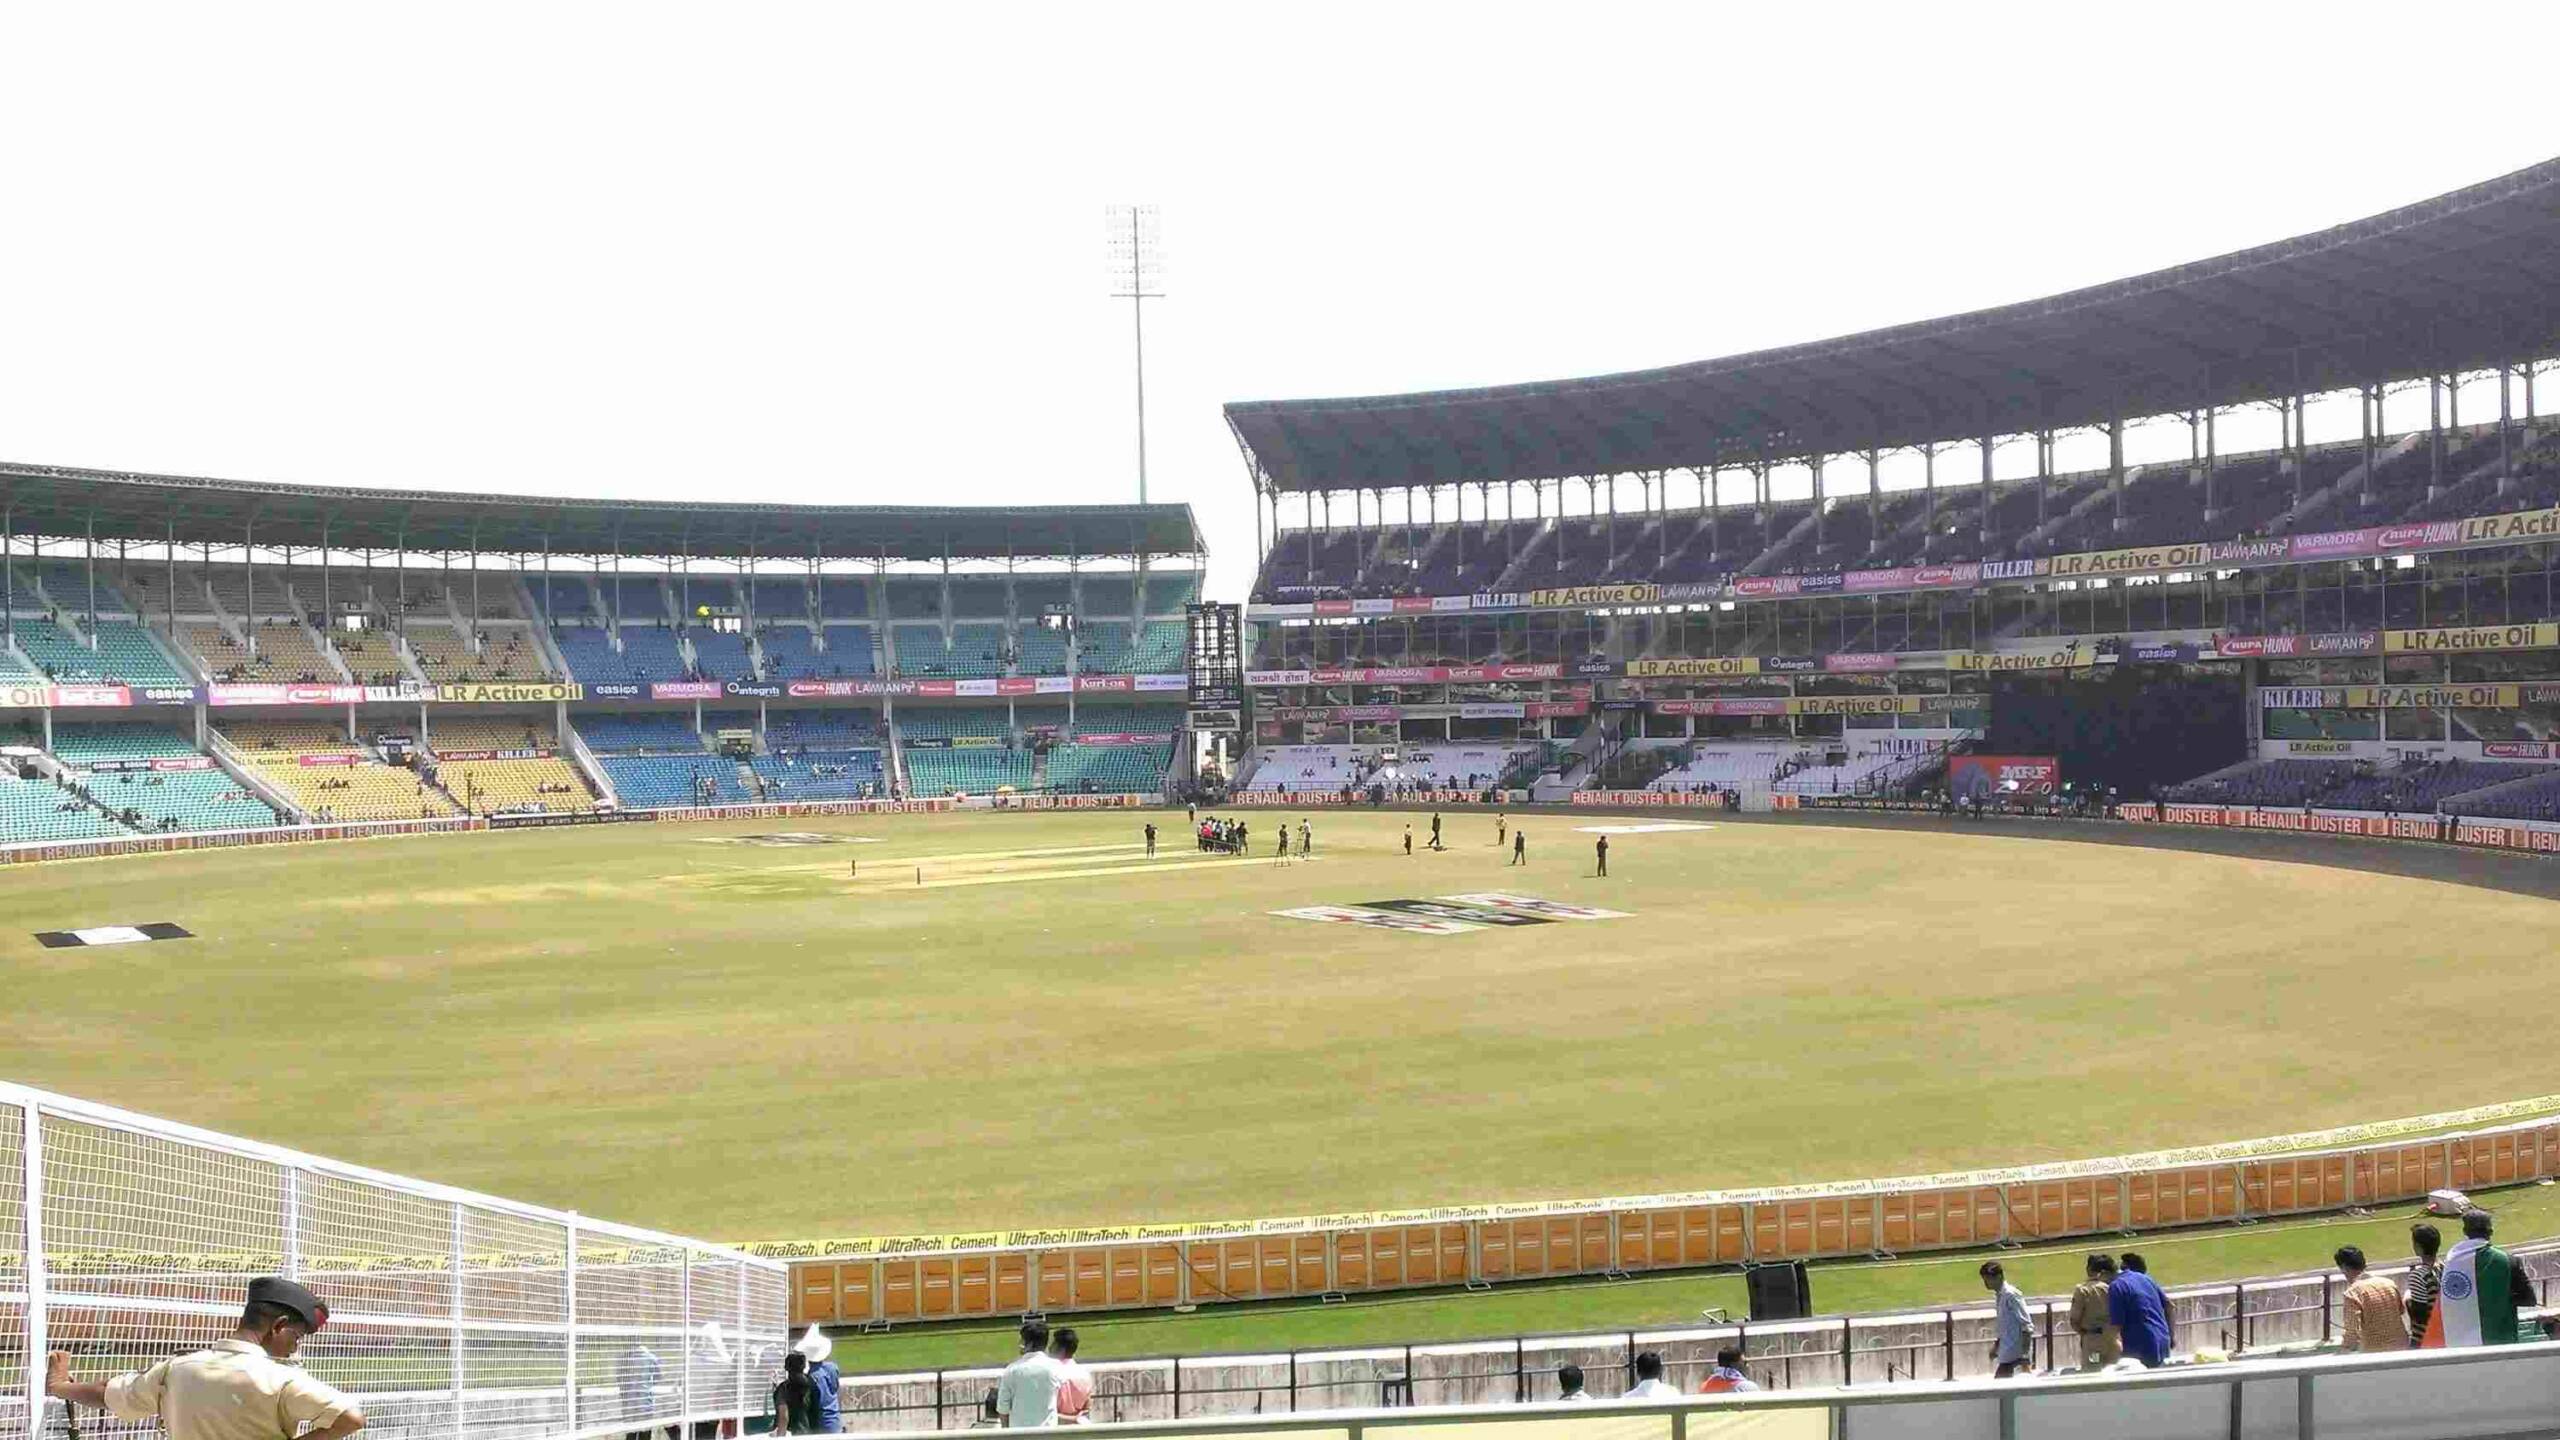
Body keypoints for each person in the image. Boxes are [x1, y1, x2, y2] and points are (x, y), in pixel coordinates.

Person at [42, 1276, 364, 1440]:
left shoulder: (176, 1369)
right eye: (296, 1336)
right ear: (278, 1326)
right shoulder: (281, 1379)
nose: (295, 1347)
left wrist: (60, 1386)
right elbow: (350, 1418)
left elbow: (107, 1393)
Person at [2422, 1208, 2537, 1347]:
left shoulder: (2451, 1262)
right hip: (2501, 1341)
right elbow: (2529, 1299)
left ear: (2465, 1232)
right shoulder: (2508, 1261)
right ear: (2491, 1231)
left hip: (2460, 1344)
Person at [2335, 1245, 2408, 1353]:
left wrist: (2340, 1354)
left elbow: (2352, 1334)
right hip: (2402, 1347)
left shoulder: (2352, 1294)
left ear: (2344, 1268)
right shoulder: (2389, 1283)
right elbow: (2401, 1310)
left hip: (2375, 1353)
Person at [2108, 1252, 2173, 1368]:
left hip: (2139, 1345)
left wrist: (2115, 1350)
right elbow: (2169, 1305)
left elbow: (2116, 1325)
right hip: (2162, 1339)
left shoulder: (2116, 1286)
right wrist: (2171, 1335)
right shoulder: (2146, 1279)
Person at [995, 1319, 1063, 1428]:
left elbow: (1003, 1409)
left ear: (1028, 1343)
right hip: (1049, 1433)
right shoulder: (1056, 1367)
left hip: (1020, 1434)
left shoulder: (1011, 1370)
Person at [2070, 1255, 2121, 1370]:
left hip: (2093, 1342)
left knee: (2093, 1373)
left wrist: (2083, 1333)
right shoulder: (2112, 1288)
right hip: (2113, 1339)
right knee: (2115, 1373)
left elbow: (2074, 1319)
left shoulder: (2083, 1290)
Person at [1982, 1261, 2030, 1377]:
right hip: (2006, 1356)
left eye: (1987, 1279)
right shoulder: (2000, 1296)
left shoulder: (2011, 1295)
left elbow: (2027, 1326)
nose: (1985, 1283)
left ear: (1998, 1277)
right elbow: (2004, 1327)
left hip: (2016, 1359)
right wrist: (1996, 1347)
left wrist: (2025, 1357)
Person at [796, 1325, 842, 1433]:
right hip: (835, 1419)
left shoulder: (811, 1377)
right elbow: (835, 1387)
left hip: (820, 1424)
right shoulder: (832, 1367)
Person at [2405, 1223, 2443, 1345]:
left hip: (2425, 1336)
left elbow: (2419, 1315)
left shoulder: (2418, 1275)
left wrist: (2407, 1299)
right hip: (2443, 1330)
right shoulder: (2444, 1267)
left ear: (2418, 1247)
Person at [1050, 1328, 1092, 1424]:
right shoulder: (1085, 1374)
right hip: (1079, 1427)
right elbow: (1087, 1407)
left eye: (1053, 1344)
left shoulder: (1051, 1374)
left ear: (1061, 1349)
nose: (1050, 1348)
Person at [773, 1352, 819, 1436]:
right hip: (811, 1433)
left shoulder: (784, 1388)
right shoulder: (812, 1383)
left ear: (786, 1367)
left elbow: (784, 1417)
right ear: (804, 1366)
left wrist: (780, 1436)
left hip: (793, 1434)